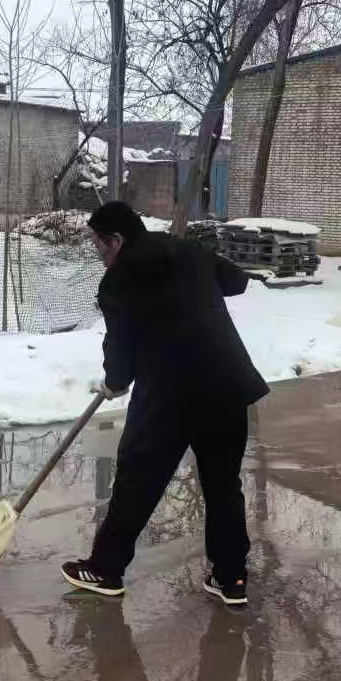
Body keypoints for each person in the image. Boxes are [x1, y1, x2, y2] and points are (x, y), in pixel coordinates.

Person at [62, 201, 269, 606]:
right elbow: (236, 281)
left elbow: (120, 344)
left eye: (99, 244)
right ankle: (230, 577)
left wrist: (115, 382)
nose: (98, 253)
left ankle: (105, 570)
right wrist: (195, 280)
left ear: (116, 240)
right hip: (227, 383)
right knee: (223, 484)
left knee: (137, 480)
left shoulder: (119, 280)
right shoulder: (187, 249)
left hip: (170, 394)